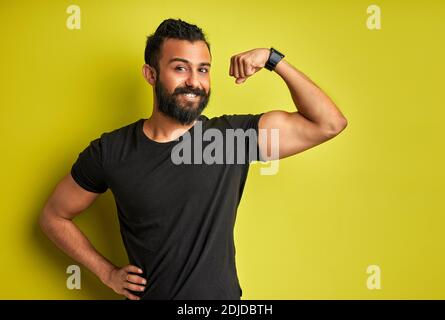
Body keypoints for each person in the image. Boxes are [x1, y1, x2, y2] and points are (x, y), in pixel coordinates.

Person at [39, 18, 347, 300]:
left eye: (202, 69)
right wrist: (106, 273)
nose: (194, 81)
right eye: (180, 68)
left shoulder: (230, 140)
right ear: (151, 74)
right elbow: (54, 216)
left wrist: (272, 59)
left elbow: (328, 123)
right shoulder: (110, 151)